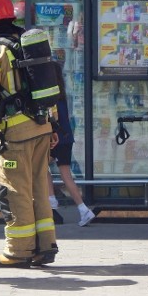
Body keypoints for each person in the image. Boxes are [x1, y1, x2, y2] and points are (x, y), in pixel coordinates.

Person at [0, 0, 59, 268]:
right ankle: (45, 246)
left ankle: (18, 251)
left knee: (13, 191)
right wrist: (53, 124)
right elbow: (48, 85)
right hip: (42, 127)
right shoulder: (28, 43)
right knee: (38, 189)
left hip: (16, 136)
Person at [47, 62, 95, 227]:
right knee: (64, 174)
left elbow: (51, 120)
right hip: (66, 139)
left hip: (56, 139)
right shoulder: (61, 94)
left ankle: (53, 201)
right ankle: (82, 209)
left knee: (40, 166)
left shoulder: (50, 96)